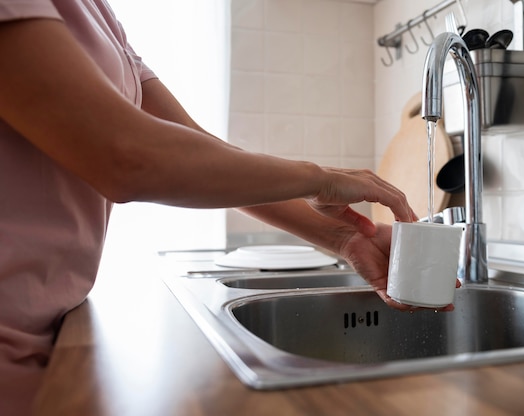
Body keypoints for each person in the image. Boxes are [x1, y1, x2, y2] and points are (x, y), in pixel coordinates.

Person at [0, 1, 457, 413]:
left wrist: (344, 236)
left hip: (45, 333)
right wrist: (320, 178)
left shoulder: (99, 15)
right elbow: (126, 155)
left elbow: (201, 152)